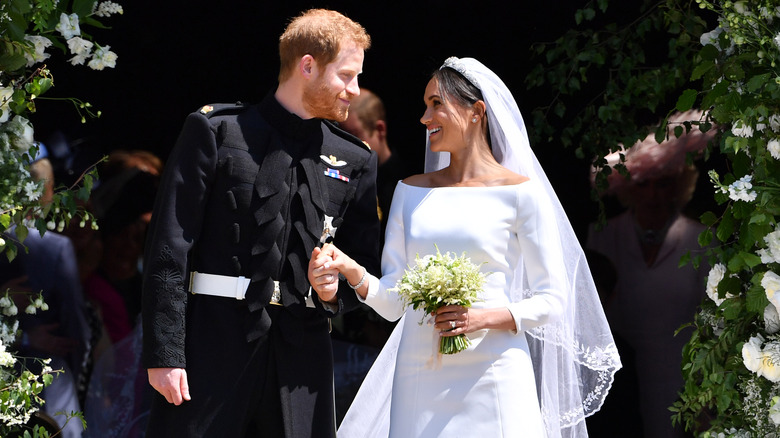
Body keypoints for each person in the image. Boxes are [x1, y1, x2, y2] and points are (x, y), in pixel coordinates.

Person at [308, 57, 621, 438]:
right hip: (418, 375)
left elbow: (553, 300)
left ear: (476, 112)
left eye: (436, 103)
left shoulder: (522, 195)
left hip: (496, 372)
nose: (425, 118)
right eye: (426, 105)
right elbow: (393, 302)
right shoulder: (409, 192)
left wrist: (480, 318)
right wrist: (352, 271)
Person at [141, 8, 380, 438]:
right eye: (346, 76)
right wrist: (165, 352)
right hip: (211, 344)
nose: (355, 90)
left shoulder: (356, 159)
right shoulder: (216, 130)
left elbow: (365, 260)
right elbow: (169, 247)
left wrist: (334, 291)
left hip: (303, 356)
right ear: (308, 65)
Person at [586, 110, 713, 438]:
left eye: (664, 184)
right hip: (617, 383)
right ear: (628, 186)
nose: (654, 195)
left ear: (679, 184)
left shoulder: (703, 240)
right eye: (644, 184)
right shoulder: (602, 236)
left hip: (682, 383)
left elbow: (714, 324)